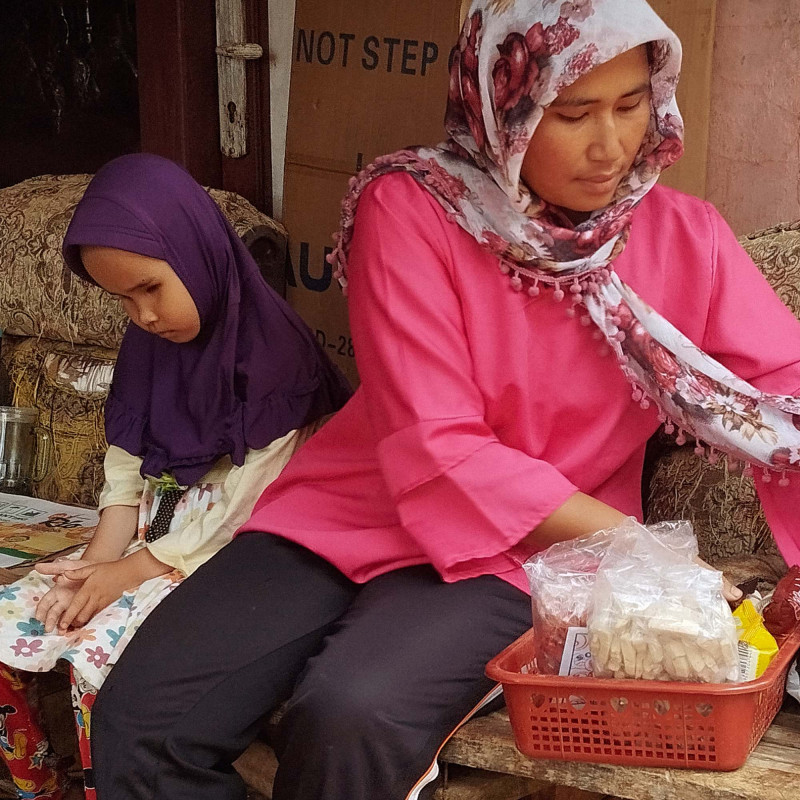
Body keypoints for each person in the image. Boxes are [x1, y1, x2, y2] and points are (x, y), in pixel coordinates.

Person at [89, 2, 800, 799]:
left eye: (632, 105)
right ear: (502, 104)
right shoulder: (413, 208)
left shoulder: (685, 238)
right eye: (572, 113)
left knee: (352, 714)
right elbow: (438, 442)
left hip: (527, 546)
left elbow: (789, 396)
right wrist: (645, 547)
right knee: (142, 718)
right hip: (355, 508)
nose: (611, 145)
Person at [0, 153, 351, 800]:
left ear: (196, 255)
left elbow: (250, 506)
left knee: (113, 661)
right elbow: (128, 452)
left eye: (151, 288)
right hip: (155, 537)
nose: (143, 316)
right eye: (123, 299)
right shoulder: (150, 347)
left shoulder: (275, 362)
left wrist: (126, 573)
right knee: (27, 614)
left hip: (232, 553)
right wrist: (101, 554)